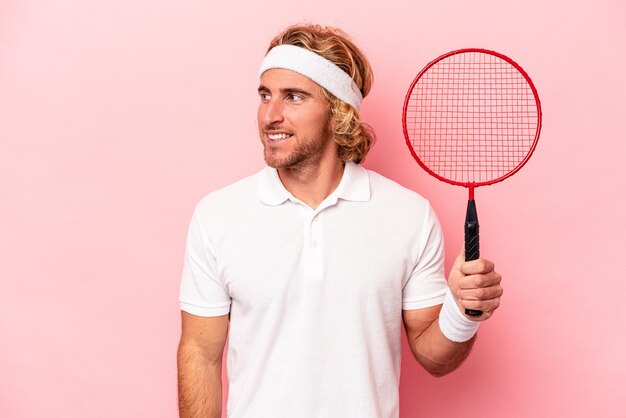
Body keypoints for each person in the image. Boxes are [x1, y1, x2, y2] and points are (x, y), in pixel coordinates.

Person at [177, 23, 503, 418]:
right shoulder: (218, 215)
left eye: (293, 97)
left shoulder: (408, 215)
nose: (270, 115)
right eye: (265, 96)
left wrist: (462, 310)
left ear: (338, 111)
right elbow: (200, 354)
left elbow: (436, 358)